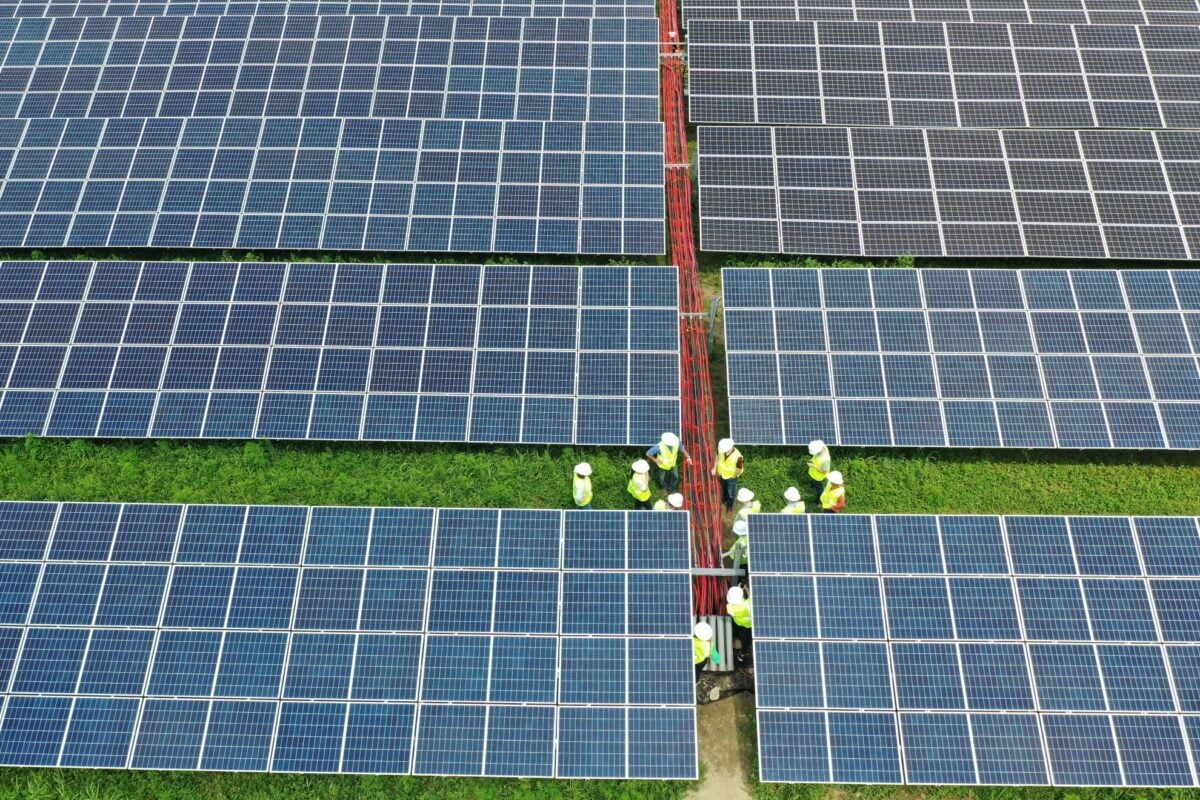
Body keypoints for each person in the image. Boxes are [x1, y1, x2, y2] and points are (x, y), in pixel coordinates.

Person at [710, 438, 744, 511]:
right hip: (722, 475)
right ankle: (725, 499)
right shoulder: (722, 449)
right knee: (724, 488)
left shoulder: (738, 457)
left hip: (731, 478)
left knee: (731, 494)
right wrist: (714, 468)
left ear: (730, 448)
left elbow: (739, 469)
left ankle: (730, 507)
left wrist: (734, 476)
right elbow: (717, 456)